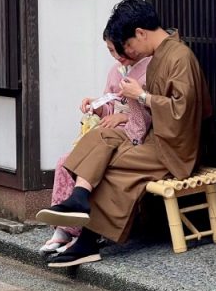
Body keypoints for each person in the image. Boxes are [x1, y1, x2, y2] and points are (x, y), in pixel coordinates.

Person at [36, 0, 212, 267]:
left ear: (140, 33)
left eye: (128, 44)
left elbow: (184, 110)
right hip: (157, 135)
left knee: (112, 168)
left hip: (175, 147)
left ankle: (86, 240)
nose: (128, 52)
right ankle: (78, 199)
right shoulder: (162, 56)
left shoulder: (179, 57)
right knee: (100, 136)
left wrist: (140, 96)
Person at [40, 34, 152, 254]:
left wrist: (123, 117)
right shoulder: (114, 71)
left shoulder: (151, 68)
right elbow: (110, 105)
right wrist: (98, 108)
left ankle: (84, 232)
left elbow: (152, 115)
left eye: (118, 49)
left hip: (134, 136)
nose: (116, 56)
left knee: (95, 168)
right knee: (66, 162)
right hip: (109, 133)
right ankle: (64, 230)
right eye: (110, 51)